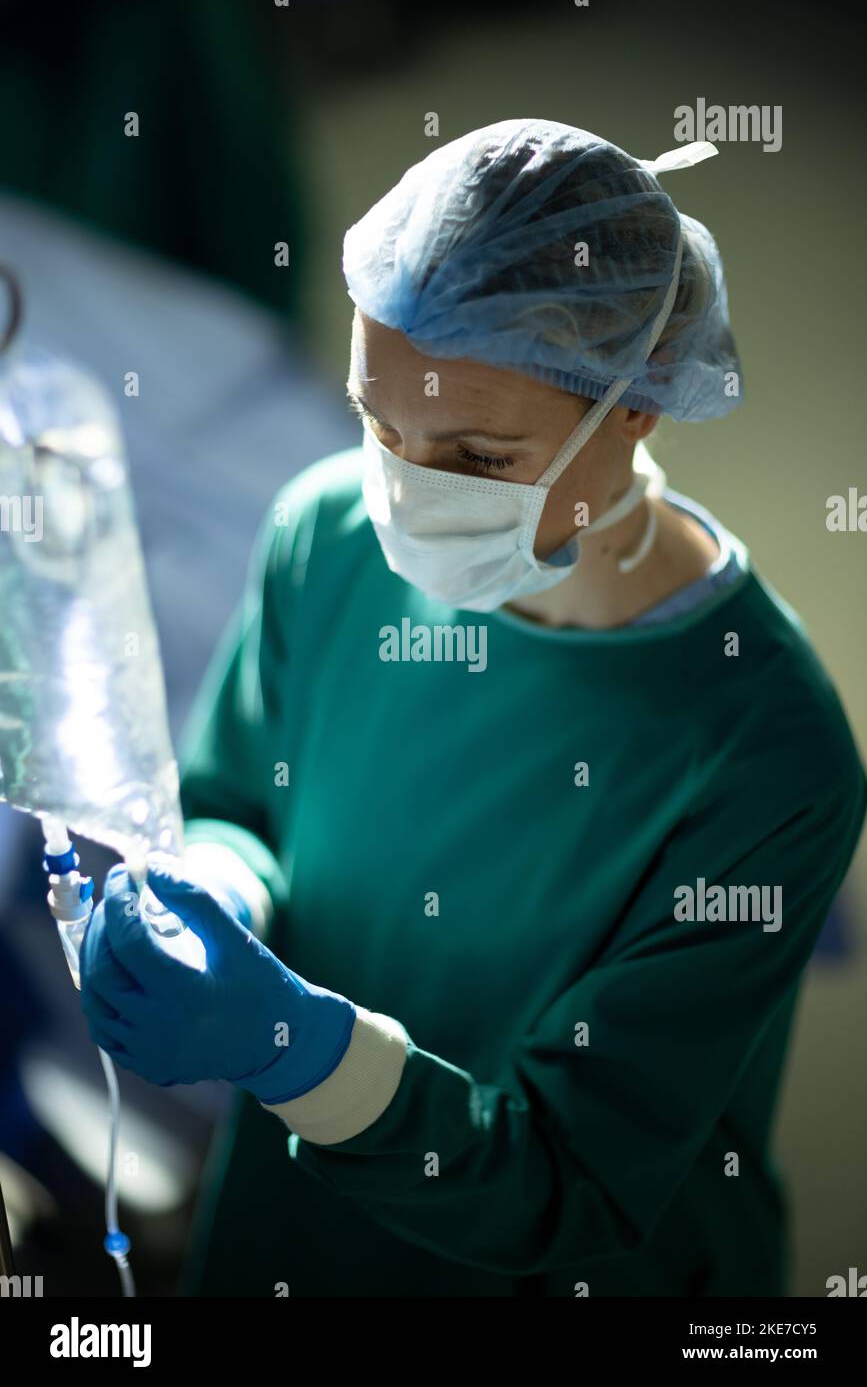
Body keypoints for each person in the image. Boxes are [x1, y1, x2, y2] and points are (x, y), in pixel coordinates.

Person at [79, 120, 866, 1298]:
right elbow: (241, 793)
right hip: (298, 1241)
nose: (402, 491)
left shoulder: (765, 752)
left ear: (635, 408)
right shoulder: (325, 535)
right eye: (376, 420)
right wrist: (218, 885)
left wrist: (298, 1046)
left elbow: (573, 1177)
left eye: (479, 457)